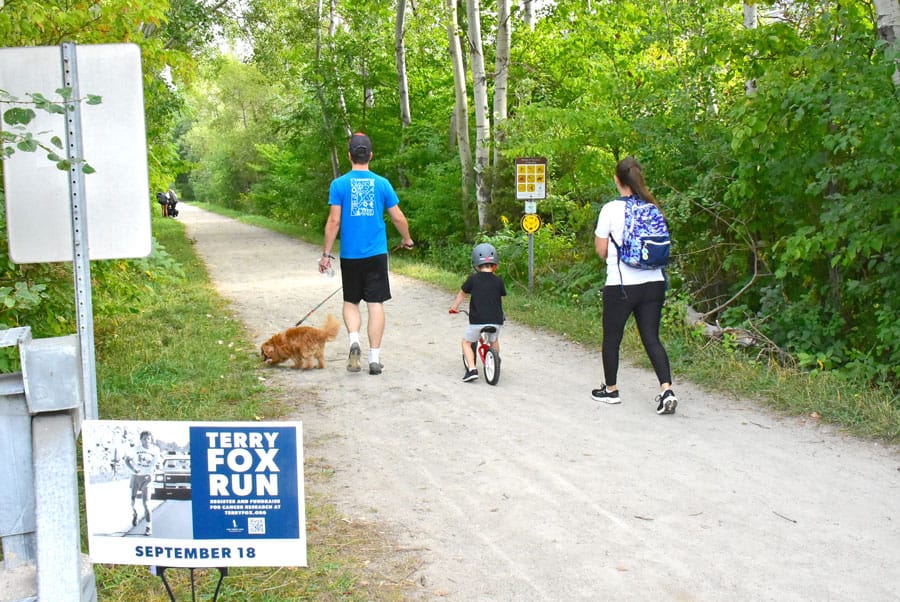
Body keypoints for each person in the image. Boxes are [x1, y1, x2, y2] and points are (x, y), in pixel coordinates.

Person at [319, 133, 414, 376]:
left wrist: (326, 254)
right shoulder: (382, 184)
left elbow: (334, 221)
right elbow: (398, 217)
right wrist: (407, 239)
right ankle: (374, 358)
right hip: (376, 255)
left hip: (350, 256)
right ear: (370, 155)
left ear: (349, 155)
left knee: (351, 301)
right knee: (375, 303)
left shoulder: (338, 185)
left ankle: (353, 341)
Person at [592, 156, 677, 415]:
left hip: (621, 285)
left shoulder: (610, 209)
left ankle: (611, 390)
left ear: (617, 180)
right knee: (651, 337)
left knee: (612, 338)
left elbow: (602, 250)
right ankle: (667, 389)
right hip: (654, 282)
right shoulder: (652, 207)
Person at [449, 243, 506, 382]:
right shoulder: (499, 281)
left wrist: (454, 307)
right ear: (494, 265)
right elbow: (500, 298)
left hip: (478, 320)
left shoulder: (473, 279)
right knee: (494, 340)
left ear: (476, 264)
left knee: (466, 342)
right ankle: (495, 360)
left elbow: (462, 294)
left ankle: (472, 370)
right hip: (497, 320)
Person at [124, 430, 161, 535]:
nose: (147, 440)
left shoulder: (155, 450)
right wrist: (133, 470)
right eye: (144, 438)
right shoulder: (135, 450)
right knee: (132, 501)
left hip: (147, 478)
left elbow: (156, 465)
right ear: (141, 440)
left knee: (146, 503)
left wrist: (152, 473)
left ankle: (149, 527)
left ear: (151, 440)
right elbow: (127, 461)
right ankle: (134, 513)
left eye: (148, 438)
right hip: (136, 477)